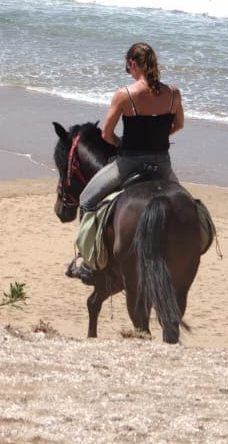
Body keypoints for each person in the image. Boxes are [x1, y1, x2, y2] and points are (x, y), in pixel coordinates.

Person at [66, 42, 184, 280]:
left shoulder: (125, 95)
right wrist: (158, 138)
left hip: (128, 164)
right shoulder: (173, 93)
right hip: (162, 165)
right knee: (186, 203)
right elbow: (179, 125)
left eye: (127, 67)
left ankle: (89, 263)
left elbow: (106, 134)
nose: (127, 71)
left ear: (132, 64)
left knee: (87, 200)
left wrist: (122, 143)